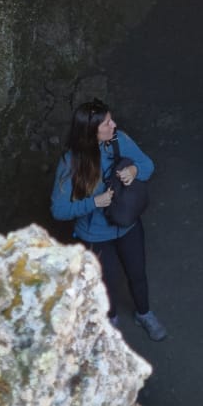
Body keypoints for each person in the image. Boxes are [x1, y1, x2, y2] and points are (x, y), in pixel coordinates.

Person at [51, 97, 167, 341]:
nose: (113, 125)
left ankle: (144, 313)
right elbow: (58, 210)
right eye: (106, 123)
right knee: (107, 281)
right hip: (95, 235)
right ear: (91, 131)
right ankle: (111, 318)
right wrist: (94, 202)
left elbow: (148, 165)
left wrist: (134, 171)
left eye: (110, 120)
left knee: (137, 272)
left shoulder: (118, 140)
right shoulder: (70, 163)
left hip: (127, 223)